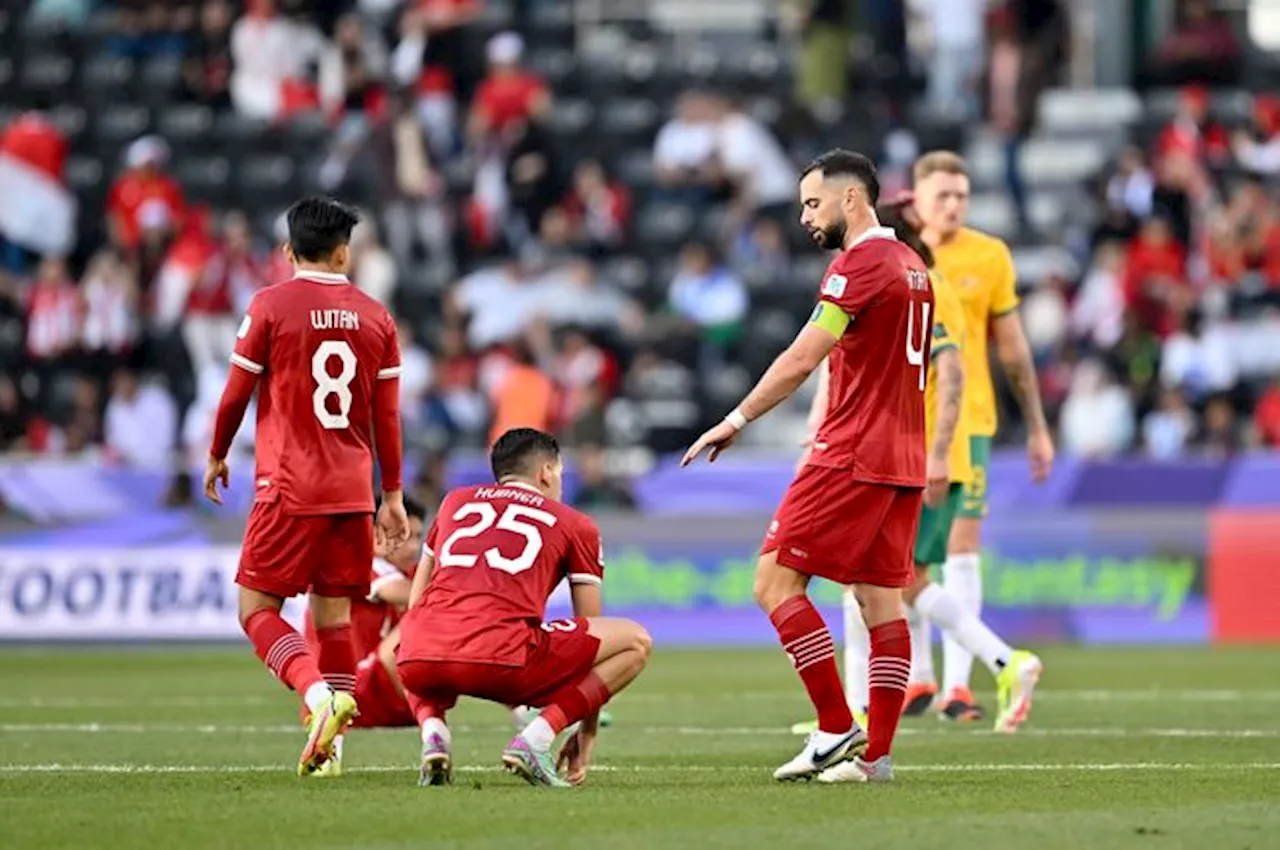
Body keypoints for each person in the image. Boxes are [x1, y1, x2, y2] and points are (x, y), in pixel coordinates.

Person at [683, 149, 933, 784]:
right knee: (881, 603)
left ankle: (833, 726)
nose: (804, 217)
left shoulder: (860, 264)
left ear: (851, 200)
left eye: (812, 204)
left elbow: (802, 358)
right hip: (903, 457)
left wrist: (736, 419)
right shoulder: (912, 265)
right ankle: (875, 760)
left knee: (773, 584)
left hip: (851, 451)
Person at [792, 197, 1042, 739]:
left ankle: (1004, 662)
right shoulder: (915, 282)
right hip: (906, 451)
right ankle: (868, 706)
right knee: (878, 582)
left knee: (897, 582)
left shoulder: (921, 286)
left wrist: (937, 454)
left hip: (918, 455)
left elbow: (951, 371)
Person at [203, 196, 410, 777]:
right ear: (345, 252)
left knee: (255, 608)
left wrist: (218, 454)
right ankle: (332, 753)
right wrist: (390, 494)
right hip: (352, 489)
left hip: (289, 483)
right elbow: (387, 418)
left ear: (288, 251)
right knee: (334, 616)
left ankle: (319, 700)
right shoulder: (377, 317)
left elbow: (235, 394)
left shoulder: (269, 305)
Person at [397, 428, 651, 788]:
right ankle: (537, 739)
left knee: (419, 629)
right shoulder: (575, 523)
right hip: (503, 662)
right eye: (560, 472)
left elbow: (415, 602)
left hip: (418, 661)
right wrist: (584, 730)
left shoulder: (453, 502)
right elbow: (591, 628)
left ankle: (434, 733)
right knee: (635, 641)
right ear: (545, 472)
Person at [911, 151, 1054, 720]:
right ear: (916, 198)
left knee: (958, 550)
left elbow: (1013, 348)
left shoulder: (988, 254)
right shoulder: (898, 253)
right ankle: (920, 678)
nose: (952, 205)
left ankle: (958, 687)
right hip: (902, 424)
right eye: (942, 195)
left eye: (961, 196)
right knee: (904, 562)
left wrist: (1039, 426)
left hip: (965, 422)